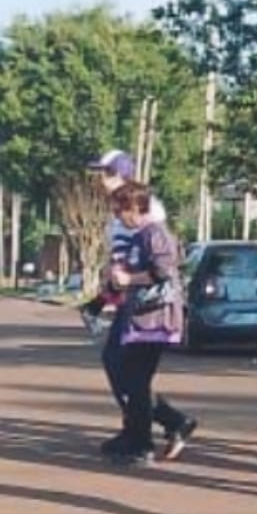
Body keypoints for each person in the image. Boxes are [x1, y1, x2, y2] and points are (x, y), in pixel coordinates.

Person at [84, 150, 196, 461]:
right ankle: (142, 429)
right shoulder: (122, 217)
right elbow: (123, 262)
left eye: (106, 173)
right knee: (124, 369)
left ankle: (143, 435)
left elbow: (161, 266)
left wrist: (126, 282)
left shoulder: (149, 220)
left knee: (130, 372)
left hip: (151, 312)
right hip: (133, 304)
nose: (100, 181)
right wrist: (103, 295)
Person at [102, 181, 186, 466]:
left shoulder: (156, 234)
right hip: (139, 318)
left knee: (135, 381)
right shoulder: (141, 235)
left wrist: (131, 279)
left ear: (136, 207)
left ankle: (142, 443)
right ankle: (152, 431)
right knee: (131, 379)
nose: (118, 217)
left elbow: (163, 271)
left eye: (120, 210)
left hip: (155, 320)